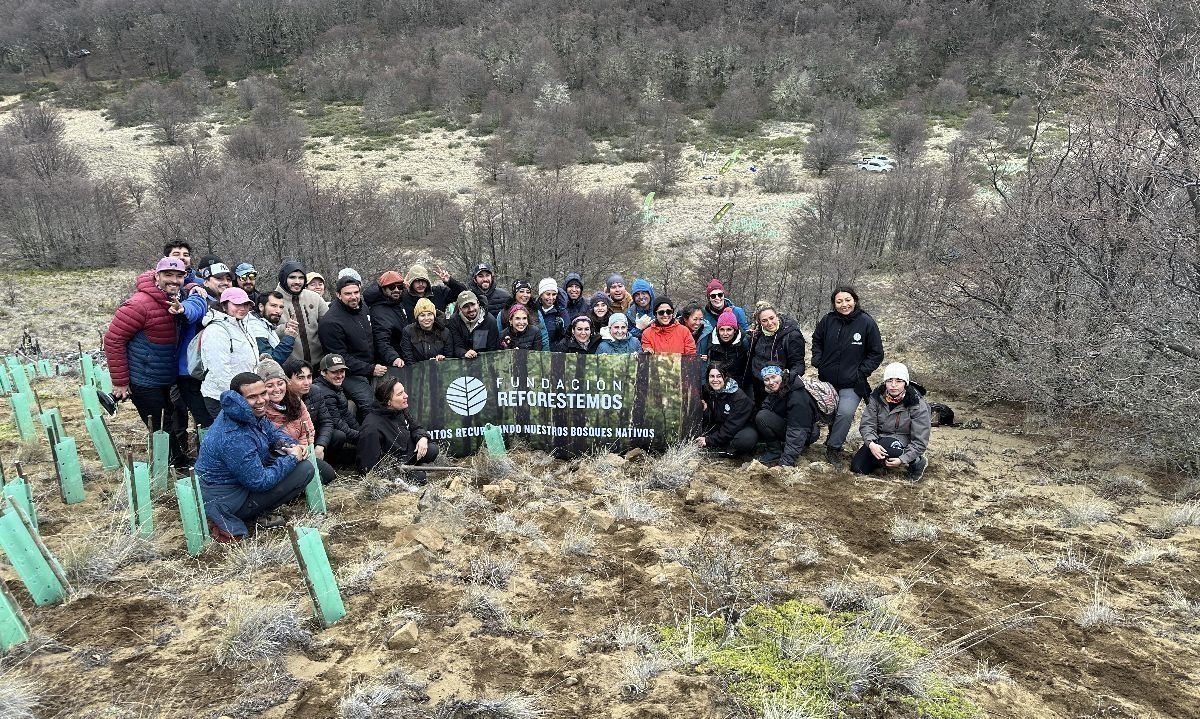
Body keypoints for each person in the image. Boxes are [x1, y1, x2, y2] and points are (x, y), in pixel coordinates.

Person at [196, 372, 329, 541]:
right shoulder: (235, 437)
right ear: (238, 399)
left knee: (300, 464)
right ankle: (250, 514)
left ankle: (257, 510)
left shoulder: (245, 413)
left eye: (263, 393)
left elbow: (272, 433)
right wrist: (291, 458)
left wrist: (291, 446)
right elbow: (259, 482)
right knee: (305, 470)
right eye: (252, 397)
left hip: (236, 484)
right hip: (226, 498)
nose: (261, 401)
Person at [104, 257, 205, 468]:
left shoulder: (177, 297)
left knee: (166, 418)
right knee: (161, 424)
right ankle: (176, 465)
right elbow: (114, 339)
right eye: (168, 275)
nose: (174, 280)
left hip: (163, 377)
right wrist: (121, 382)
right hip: (143, 378)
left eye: (179, 276)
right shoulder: (138, 304)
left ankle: (175, 459)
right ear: (156, 276)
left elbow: (197, 303)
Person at [811, 287, 885, 465]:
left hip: (852, 382)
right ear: (834, 304)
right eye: (839, 301)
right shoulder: (827, 321)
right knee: (826, 411)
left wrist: (861, 371)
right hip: (827, 379)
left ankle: (833, 448)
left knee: (844, 413)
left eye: (847, 300)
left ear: (855, 300)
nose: (844, 304)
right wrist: (818, 360)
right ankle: (817, 438)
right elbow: (817, 340)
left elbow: (876, 353)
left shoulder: (866, 322)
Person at [852, 362, 930, 481]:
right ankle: (881, 460)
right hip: (879, 438)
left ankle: (917, 461)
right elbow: (867, 424)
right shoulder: (876, 397)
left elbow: (920, 441)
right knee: (858, 468)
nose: (893, 385)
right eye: (889, 380)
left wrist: (903, 459)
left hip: (904, 441)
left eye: (898, 381)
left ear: (906, 382)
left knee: (887, 446)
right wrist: (872, 444)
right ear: (885, 382)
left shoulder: (917, 404)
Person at [317, 275, 381, 416]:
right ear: (338, 295)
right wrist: (370, 369)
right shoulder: (330, 322)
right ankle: (368, 436)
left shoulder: (362, 307)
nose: (353, 297)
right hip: (348, 373)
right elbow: (341, 358)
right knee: (371, 405)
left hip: (371, 366)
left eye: (356, 292)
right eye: (348, 294)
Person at [356, 377, 440, 477]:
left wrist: (422, 438)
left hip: (405, 453)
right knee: (420, 478)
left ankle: (415, 467)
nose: (406, 396)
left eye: (404, 392)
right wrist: (395, 473)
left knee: (432, 450)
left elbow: (416, 427)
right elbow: (368, 468)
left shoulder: (399, 409)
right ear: (388, 401)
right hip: (391, 466)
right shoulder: (371, 428)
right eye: (400, 394)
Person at [199, 288, 260, 419]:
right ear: (224, 305)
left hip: (245, 394)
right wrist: (236, 397)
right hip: (222, 396)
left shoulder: (244, 325)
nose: (242, 308)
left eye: (246, 304)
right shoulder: (216, 330)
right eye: (237, 304)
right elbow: (219, 370)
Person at [754, 365, 818, 467]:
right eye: (766, 379)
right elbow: (766, 407)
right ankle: (775, 451)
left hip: (805, 433)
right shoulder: (778, 389)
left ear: (781, 375)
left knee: (763, 417)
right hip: (788, 426)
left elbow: (797, 431)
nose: (770, 382)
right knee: (762, 416)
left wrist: (786, 463)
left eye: (773, 377)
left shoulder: (796, 395)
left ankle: (792, 450)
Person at [746, 301, 806, 404]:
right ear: (759, 322)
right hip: (758, 382)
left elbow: (798, 364)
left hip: (778, 385)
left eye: (771, 318)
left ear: (777, 316)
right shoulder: (757, 334)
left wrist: (786, 380)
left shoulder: (791, 335)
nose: (769, 323)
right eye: (764, 321)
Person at [306, 353, 362, 463]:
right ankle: (329, 462)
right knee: (339, 435)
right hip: (317, 435)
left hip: (327, 428)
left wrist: (361, 431)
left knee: (350, 406)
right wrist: (360, 437)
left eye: (342, 371)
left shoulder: (333, 386)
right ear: (323, 372)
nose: (339, 375)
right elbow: (337, 423)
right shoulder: (324, 392)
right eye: (334, 372)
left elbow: (345, 413)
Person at [696, 365, 757, 457]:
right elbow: (712, 417)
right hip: (722, 425)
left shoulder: (739, 397)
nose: (715, 380)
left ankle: (732, 448)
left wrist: (709, 440)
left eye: (719, 376)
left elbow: (732, 426)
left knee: (746, 439)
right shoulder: (707, 391)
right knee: (699, 432)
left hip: (741, 427)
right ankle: (721, 442)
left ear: (725, 377)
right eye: (712, 376)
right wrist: (705, 410)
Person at [276, 260, 328, 366]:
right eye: (292, 277)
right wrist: (284, 328)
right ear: (283, 278)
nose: (297, 281)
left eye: (301, 278)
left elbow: (330, 325)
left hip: (319, 365)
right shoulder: (272, 300)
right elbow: (265, 332)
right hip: (289, 367)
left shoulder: (315, 298)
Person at [365, 270, 409, 371]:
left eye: (400, 287)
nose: (397, 290)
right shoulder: (379, 311)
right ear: (383, 289)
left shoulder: (397, 304)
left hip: (403, 359)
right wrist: (394, 358)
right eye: (392, 287)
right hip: (390, 365)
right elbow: (381, 341)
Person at [246, 291, 298, 365]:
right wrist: (288, 338)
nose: (278, 311)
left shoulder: (265, 323)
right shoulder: (255, 327)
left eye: (281, 307)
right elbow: (270, 361)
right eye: (273, 306)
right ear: (261, 307)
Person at [401, 263, 466, 319]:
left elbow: (463, 293)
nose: (421, 284)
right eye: (417, 281)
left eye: (423, 280)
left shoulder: (438, 292)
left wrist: (450, 281)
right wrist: (401, 287)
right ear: (411, 282)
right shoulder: (405, 296)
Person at [448, 290, 500, 359]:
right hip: (462, 360)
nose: (471, 309)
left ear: (478, 303)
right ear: (460, 308)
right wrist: (464, 353)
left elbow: (492, 348)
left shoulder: (490, 321)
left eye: (473, 304)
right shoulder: (454, 321)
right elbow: (456, 345)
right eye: (466, 306)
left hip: (484, 360)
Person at [400, 298, 452, 363]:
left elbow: (449, 356)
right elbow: (408, 358)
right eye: (422, 315)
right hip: (417, 370)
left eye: (429, 314)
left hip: (439, 370)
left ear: (434, 316)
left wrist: (443, 358)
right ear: (417, 317)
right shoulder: (408, 331)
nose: (426, 318)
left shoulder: (445, 332)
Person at [707, 308, 750, 383]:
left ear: (735, 330)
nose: (725, 334)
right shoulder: (710, 341)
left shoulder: (745, 341)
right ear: (718, 330)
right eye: (722, 329)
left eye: (729, 329)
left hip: (740, 383)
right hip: (717, 383)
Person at [536, 278, 568, 347]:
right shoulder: (534, 310)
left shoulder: (561, 312)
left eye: (554, 294)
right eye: (548, 294)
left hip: (555, 353)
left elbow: (567, 335)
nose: (551, 298)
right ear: (541, 295)